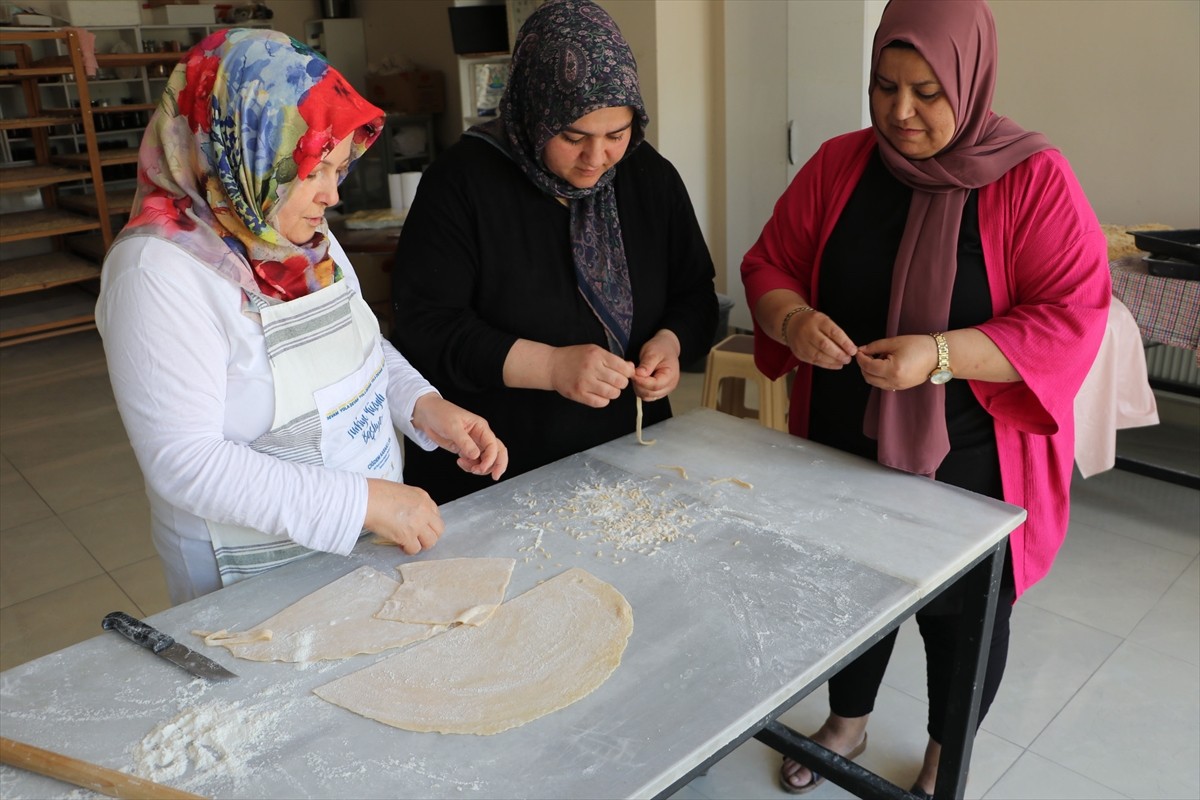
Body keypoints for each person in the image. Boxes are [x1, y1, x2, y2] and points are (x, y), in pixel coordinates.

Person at [740, 1, 1110, 795]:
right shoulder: (840, 165)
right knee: (848, 590)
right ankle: (847, 722)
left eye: (928, 92)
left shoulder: (1033, 179)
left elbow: (1071, 317)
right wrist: (793, 319)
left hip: (973, 457)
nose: (900, 112)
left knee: (963, 617)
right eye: (884, 87)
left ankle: (946, 752)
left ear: (970, 82)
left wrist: (940, 355)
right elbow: (770, 264)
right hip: (844, 440)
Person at [96, 29, 508, 605]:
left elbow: (358, 343)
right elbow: (185, 463)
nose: (332, 196)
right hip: (252, 572)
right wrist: (362, 502)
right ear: (241, 150)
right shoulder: (156, 272)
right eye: (313, 171)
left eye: (337, 169)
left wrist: (421, 404)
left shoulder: (296, 233)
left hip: (361, 538)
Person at [391, 0, 718, 503]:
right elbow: (426, 327)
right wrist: (549, 367)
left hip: (630, 457)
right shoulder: (461, 184)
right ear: (536, 112)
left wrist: (671, 344)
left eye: (616, 134)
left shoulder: (648, 176)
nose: (596, 158)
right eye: (572, 136)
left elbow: (695, 293)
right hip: (497, 466)